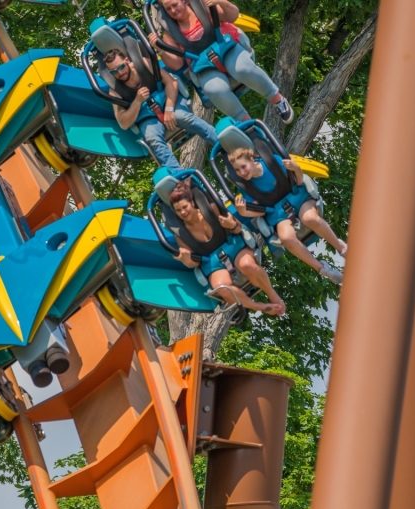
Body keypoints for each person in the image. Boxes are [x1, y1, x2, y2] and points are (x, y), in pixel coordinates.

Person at [148, 0, 293, 124]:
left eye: (175, 4)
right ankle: (248, 124)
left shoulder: (202, 6)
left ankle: (279, 100)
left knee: (242, 68)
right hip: (203, 64)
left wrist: (220, 2)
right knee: (214, 90)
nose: (173, 10)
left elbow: (233, 15)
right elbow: (177, 64)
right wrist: (160, 49)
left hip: (226, 47)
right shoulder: (171, 31)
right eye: (168, 9)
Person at [228, 147, 347, 284]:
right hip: (277, 212)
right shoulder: (245, 186)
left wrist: (296, 168)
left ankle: (342, 248)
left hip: (298, 198)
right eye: (237, 170)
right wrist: (244, 212)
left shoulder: (271, 162)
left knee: (309, 218)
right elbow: (260, 210)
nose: (242, 172)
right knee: (286, 238)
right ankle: (323, 269)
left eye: (243, 167)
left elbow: (299, 181)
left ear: (251, 159)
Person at [167, 178, 284, 315]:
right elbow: (194, 261)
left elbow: (238, 228)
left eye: (184, 207)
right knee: (221, 287)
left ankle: (272, 294)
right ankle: (258, 306)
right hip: (212, 263)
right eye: (178, 210)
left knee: (248, 265)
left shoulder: (211, 210)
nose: (183, 212)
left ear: (192, 202)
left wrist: (232, 225)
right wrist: (187, 261)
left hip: (234, 247)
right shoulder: (181, 233)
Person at [102, 47, 217, 169]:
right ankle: (179, 177)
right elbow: (123, 123)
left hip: (169, 102)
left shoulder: (143, 64)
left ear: (126, 60)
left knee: (183, 117)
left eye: (121, 67)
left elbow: (171, 82)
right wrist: (137, 101)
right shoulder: (115, 91)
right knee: (153, 138)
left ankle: (222, 143)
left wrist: (168, 109)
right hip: (148, 117)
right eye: (114, 72)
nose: (120, 73)